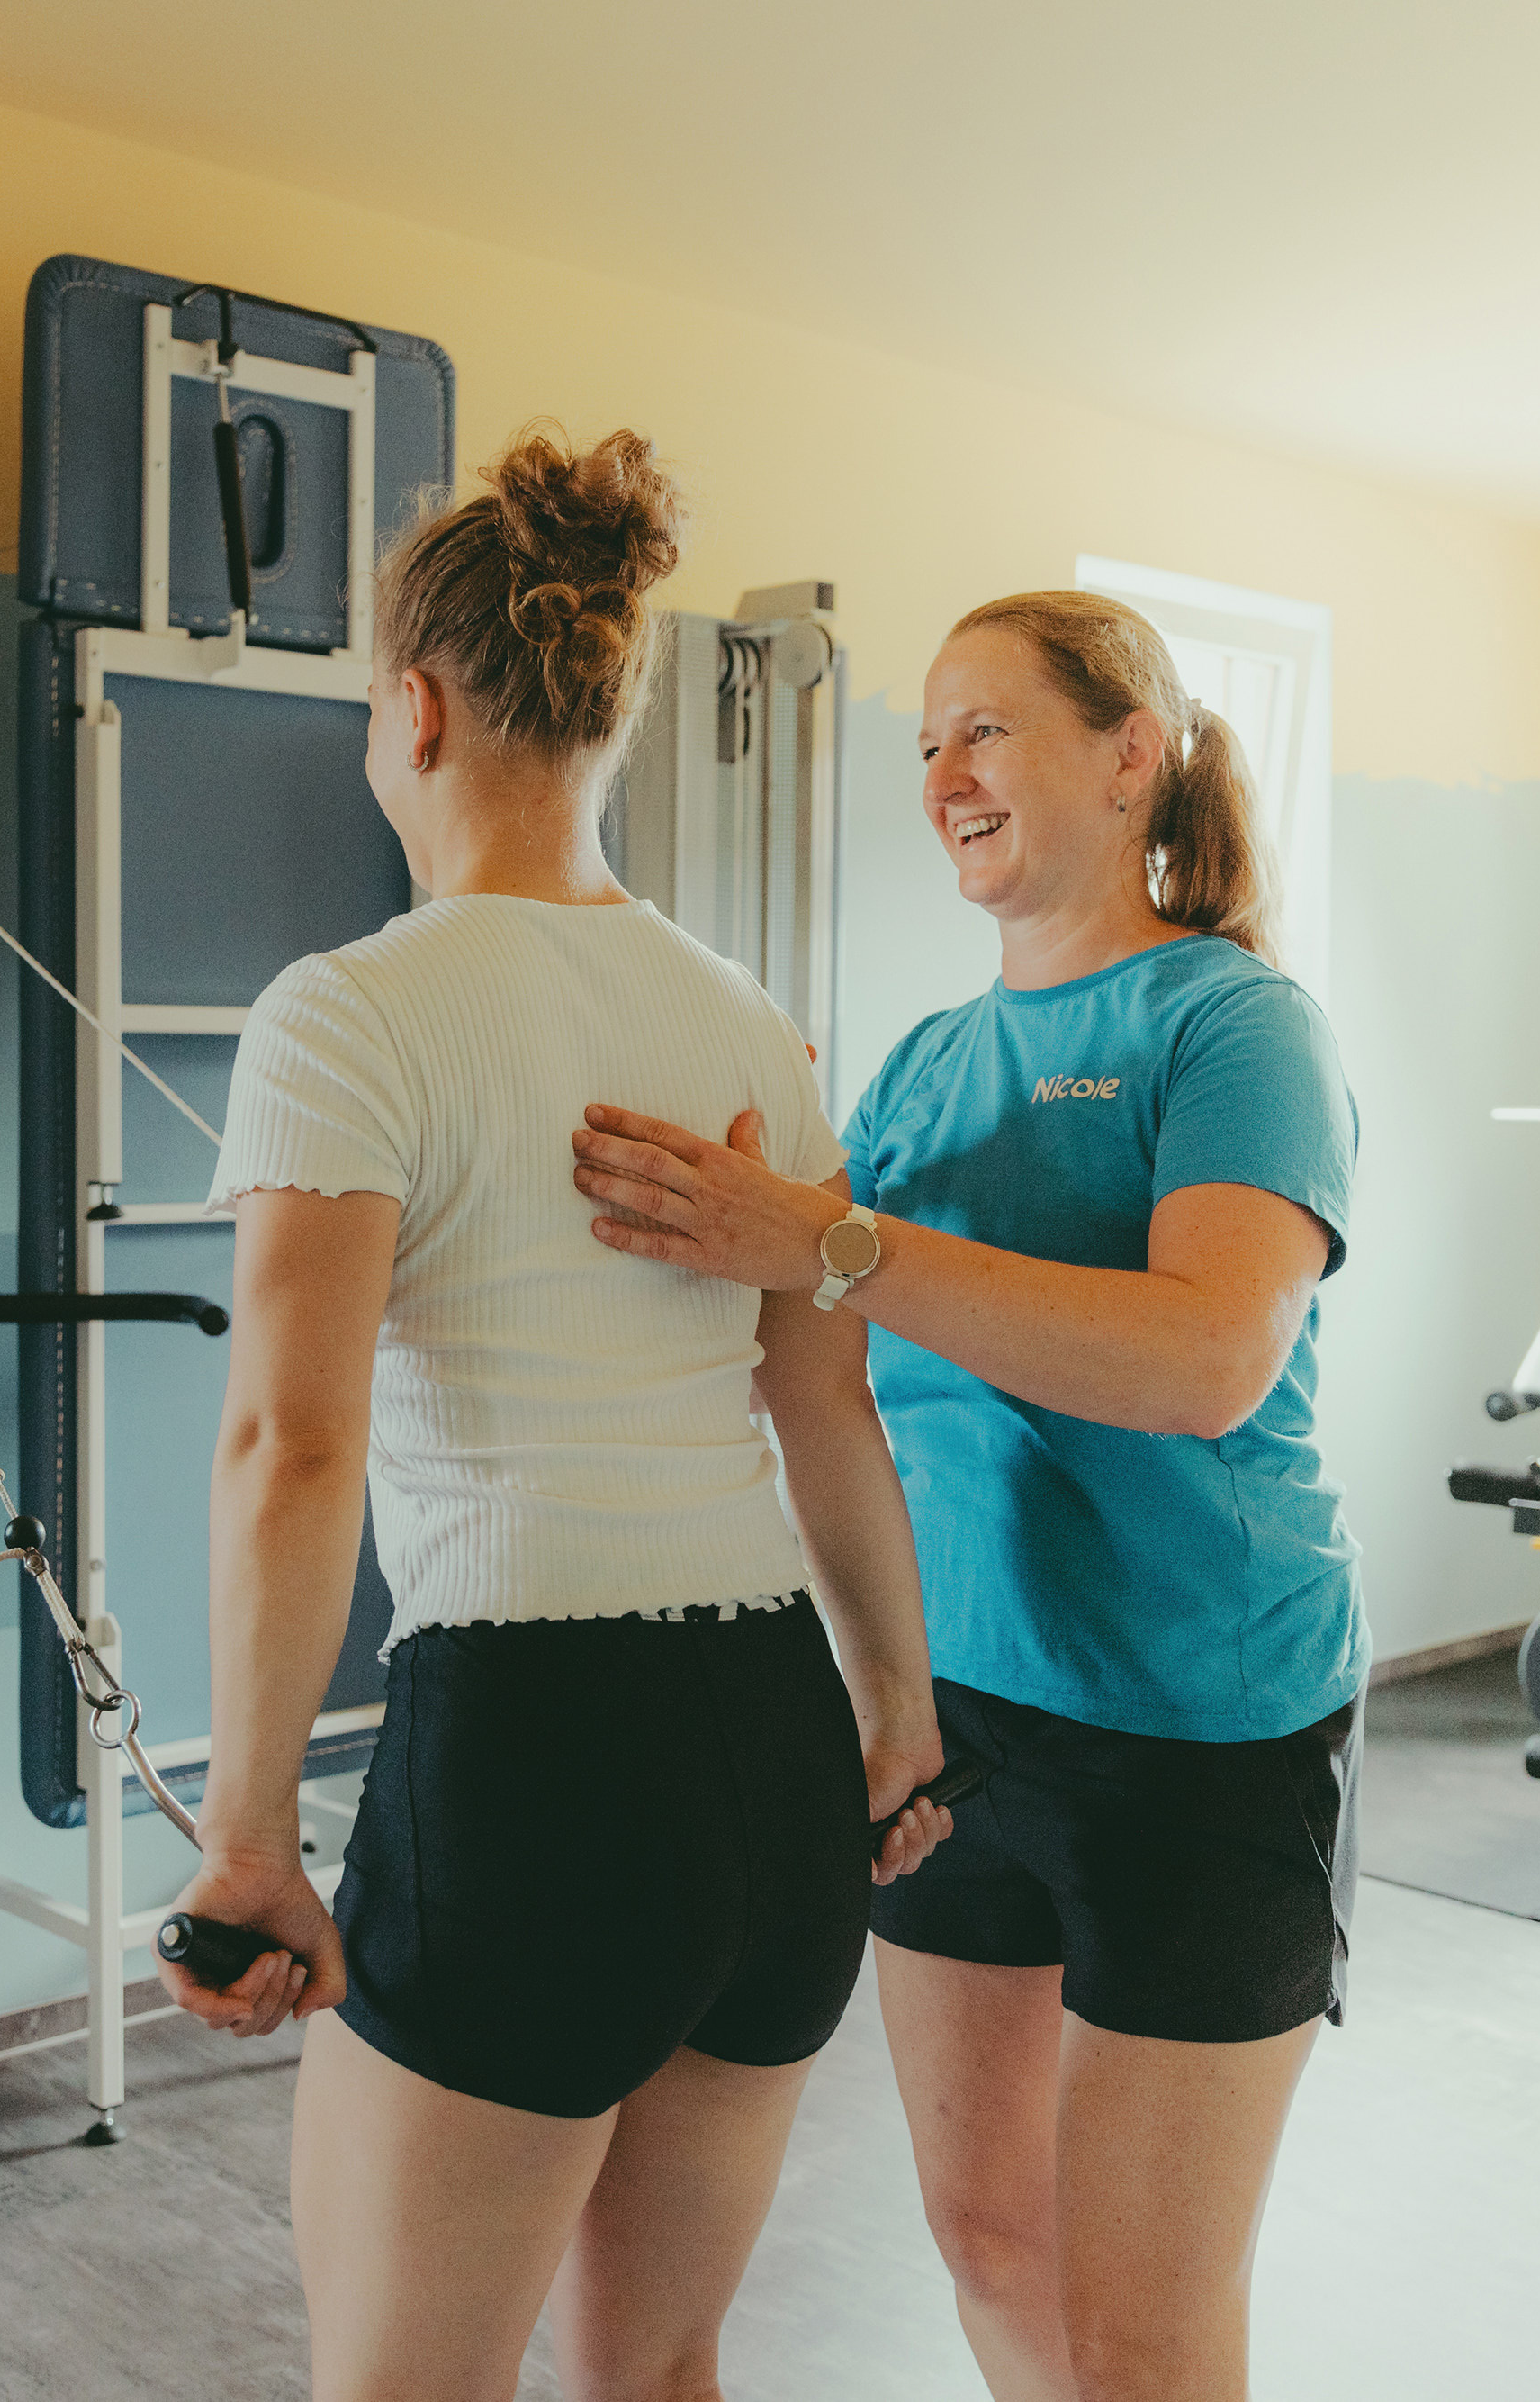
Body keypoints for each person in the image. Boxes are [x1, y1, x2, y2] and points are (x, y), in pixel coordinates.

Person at [156, 424, 957, 2402]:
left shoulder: (346, 1013)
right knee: (661, 2362)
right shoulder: (741, 1018)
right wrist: (897, 1717)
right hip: (773, 1744)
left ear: (412, 709)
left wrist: (245, 1839)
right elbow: (827, 1411)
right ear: (603, 717)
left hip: (535, 1757)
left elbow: (292, 1443)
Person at [565, 589, 1361, 2402]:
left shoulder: (1229, 1025)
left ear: (1128, 753)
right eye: (923, 741)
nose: (941, 774)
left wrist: (834, 1238)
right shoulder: (925, 1060)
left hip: (1202, 1729)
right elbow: (819, 1348)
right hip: (957, 1721)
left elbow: (1200, 1358)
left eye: (982, 728)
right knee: (990, 2231)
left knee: (1147, 2326)